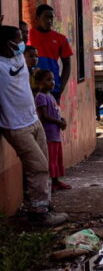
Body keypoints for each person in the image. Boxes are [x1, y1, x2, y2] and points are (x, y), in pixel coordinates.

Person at [0, 25, 67, 226]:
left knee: (42, 165)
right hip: (16, 125)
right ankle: (39, 214)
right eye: (19, 40)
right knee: (37, 166)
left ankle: (43, 204)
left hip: (33, 120)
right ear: (7, 43)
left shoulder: (18, 58)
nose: (23, 44)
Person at [34, 70, 70, 192]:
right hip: (48, 134)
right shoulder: (41, 97)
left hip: (55, 134)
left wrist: (62, 120)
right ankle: (49, 183)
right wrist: (58, 122)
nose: (52, 82)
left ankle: (56, 181)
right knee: (50, 159)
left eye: (52, 80)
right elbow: (44, 116)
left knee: (56, 159)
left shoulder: (51, 96)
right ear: (39, 82)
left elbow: (55, 113)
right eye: (48, 80)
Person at [28, 5, 73, 103]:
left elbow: (67, 65)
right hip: (32, 87)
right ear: (37, 18)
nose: (49, 20)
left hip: (52, 88)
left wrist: (61, 86)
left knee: (52, 115)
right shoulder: (28, 36)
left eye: (51, 17)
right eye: (46, 17)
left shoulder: (61, 39)